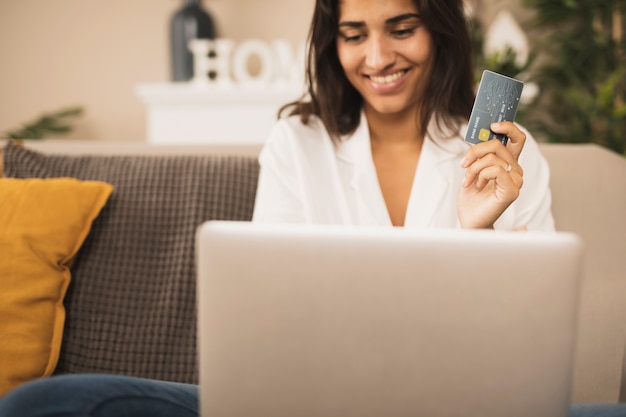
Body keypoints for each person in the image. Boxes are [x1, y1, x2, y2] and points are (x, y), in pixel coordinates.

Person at [1, 0, 625, 416]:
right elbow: (265, 314)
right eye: (354, 36)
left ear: (440, 30)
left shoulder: (507, 156)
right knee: (47, 403)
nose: (377, 59)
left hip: (459, 405)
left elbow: (526, 355)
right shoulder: (297, 143)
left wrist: (478, 229)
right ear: (334, 44)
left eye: (401, 29)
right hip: (305, 404)